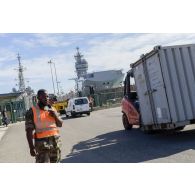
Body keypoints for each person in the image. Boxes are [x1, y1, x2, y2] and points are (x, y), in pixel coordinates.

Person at [25, 89, 63, 163]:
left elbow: (60, 124)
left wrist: (55, 116)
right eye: (43, 97)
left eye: (47, 96)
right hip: (42, 146)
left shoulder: (52, 109)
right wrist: (31, 147)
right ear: (38, 98)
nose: (46, 98)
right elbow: (29, 131)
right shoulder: (32, 111)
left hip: (55, 144)